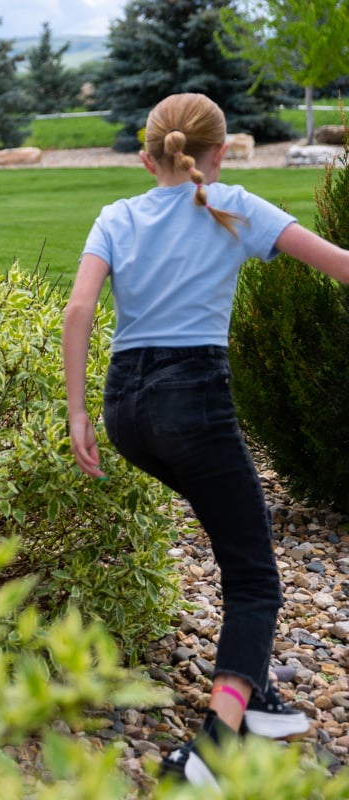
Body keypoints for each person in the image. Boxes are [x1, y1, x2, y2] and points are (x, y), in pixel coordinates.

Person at [62, 93, 349, 787]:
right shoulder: (235, 205)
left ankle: (254, 692)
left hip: (126, 415)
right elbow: (341, 266)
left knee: (234, 538)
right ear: (218, 155)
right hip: (193, 405)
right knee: (254, 576)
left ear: (144, 156)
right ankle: (213, 749)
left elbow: (78, 310)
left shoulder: (115, 216)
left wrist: (77, 415)